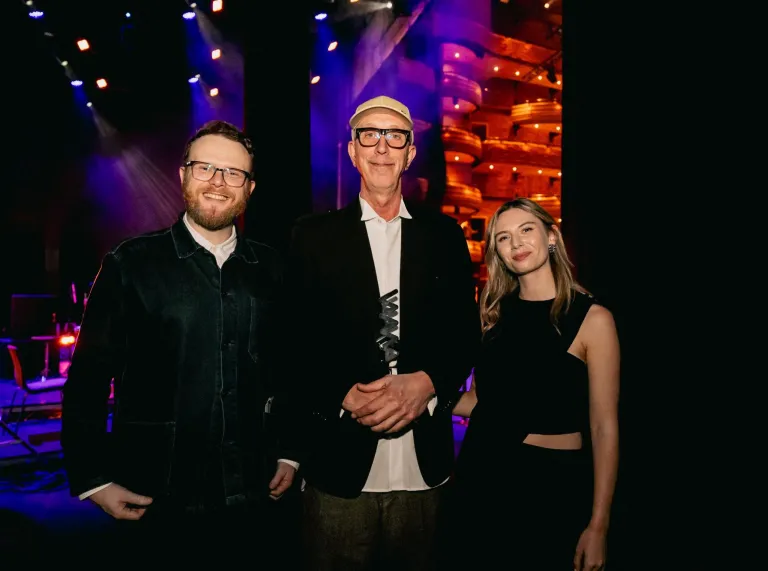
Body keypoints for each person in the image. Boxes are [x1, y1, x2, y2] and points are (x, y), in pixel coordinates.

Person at [60, 120, 299, 564]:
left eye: (233, 173)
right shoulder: (130, 264)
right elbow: (89, 378)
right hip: (157, 498)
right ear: (184, 174)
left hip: (255, 497)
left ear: (249, 188)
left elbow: (288, 371)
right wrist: (93, 478)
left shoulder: (274, 269)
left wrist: (290, 453)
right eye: (205, 168)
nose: (218, 182)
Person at [285, 95, 480, 570]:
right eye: (368, 135)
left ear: (410, 153)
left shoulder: (444, 235)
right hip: (338, 463)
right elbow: (290, 337)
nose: (381, 147)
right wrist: (339, 393)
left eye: (395, 136)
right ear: (351, 151)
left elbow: (464, 331)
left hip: (425, 467)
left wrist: (431, 381)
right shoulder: (310, 236)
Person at [445, 197, 620, 570]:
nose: (517, 243)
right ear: (497, 252)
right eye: (504, 238)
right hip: (482, 476)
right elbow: (484, 402)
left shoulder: (593, 319)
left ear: (551, 236)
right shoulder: (494, 315)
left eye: (526, 230)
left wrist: (599, 524)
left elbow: (604, 427)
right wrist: (423, 396)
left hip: (550, 486)